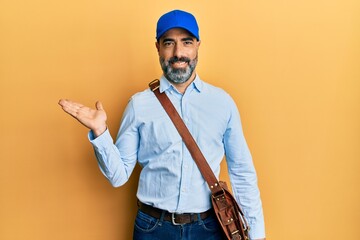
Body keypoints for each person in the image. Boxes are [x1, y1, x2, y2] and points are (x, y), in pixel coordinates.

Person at [59, 9, 266, 240]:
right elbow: (118, 176)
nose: (178, 53)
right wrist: (100, 132)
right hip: (153, 228)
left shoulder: (222, 103)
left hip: (208, 228)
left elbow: (242, 172)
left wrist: (256, 235)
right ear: (158, 47)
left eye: (186, 42)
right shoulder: (139, 105)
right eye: (169, 43)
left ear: (197, 45)